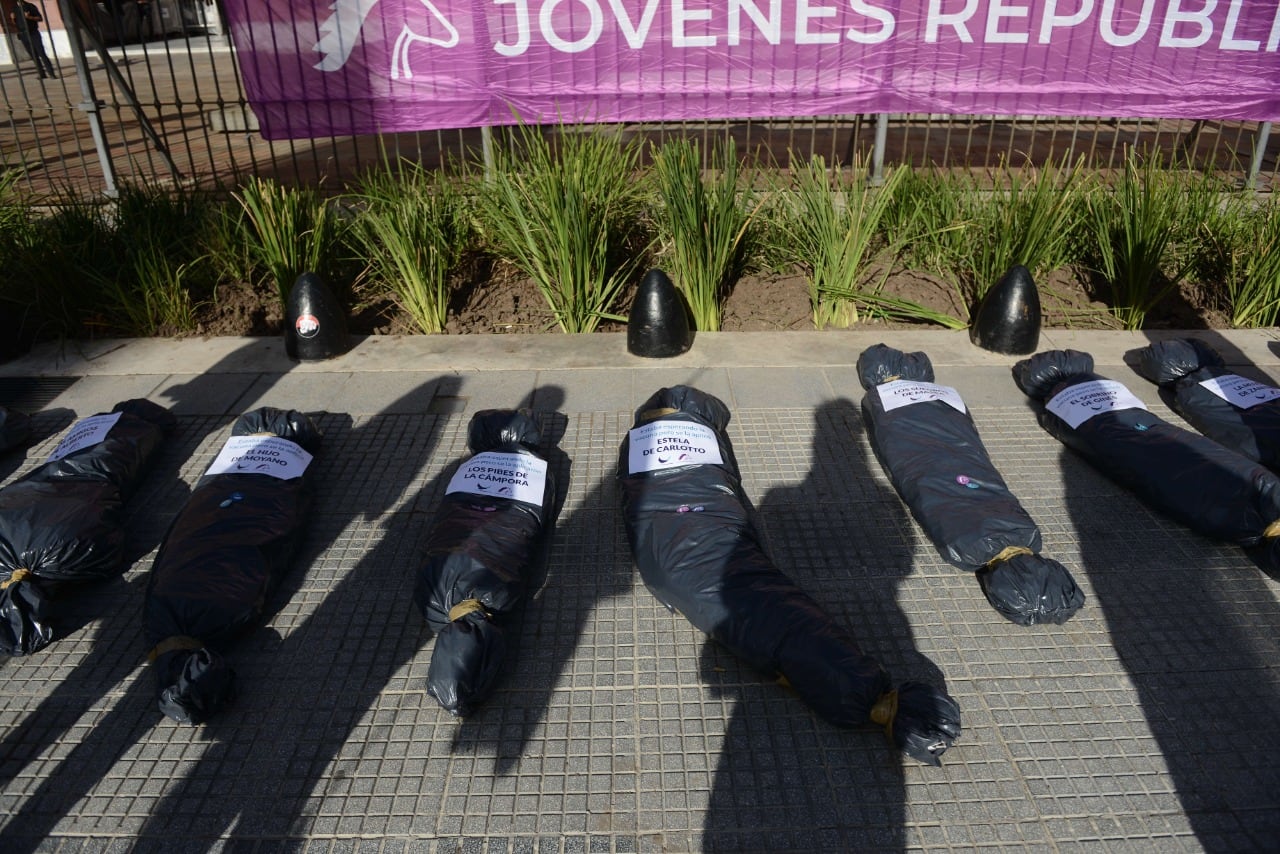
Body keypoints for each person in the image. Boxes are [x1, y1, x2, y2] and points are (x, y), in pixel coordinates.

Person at [9, 1, 57, 79]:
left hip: (33, 33)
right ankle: (41, 74)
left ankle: (51, 73)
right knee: (33, 56)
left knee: (41, 53)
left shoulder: (30, 6)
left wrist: (29, 17)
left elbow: (40, 18)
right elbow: (15, 24)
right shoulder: (15, 9)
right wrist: (13, 19)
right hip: (23, 34)